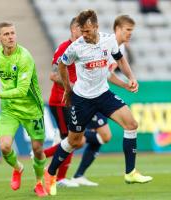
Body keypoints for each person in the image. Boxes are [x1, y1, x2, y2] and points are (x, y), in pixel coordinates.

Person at [44, 10, 153, 196]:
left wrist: (131, 77)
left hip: (103, 95)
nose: (84, 35)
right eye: (82, 31)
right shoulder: (76, 47)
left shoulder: (108, 41)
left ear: (96, 27)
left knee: (131, 124)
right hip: (82, 99)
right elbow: (61, 65)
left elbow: (120, 59)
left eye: (87, 31)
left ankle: (130, 172)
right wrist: (69, 90)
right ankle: (50, 173)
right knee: (73, 141)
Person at [0, 22, 47, 197]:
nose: (10, 37)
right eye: (6, 34)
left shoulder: (24, 57)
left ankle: (38, 183)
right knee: (5, 147)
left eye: (13, 33)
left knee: (37, 149)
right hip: (10, 109)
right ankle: (17, 168)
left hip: (31, 109)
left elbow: (21, 91)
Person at [45, 17, 112, 187]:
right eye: (78, 28)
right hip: (62, 102)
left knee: (100, 136)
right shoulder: (64, 48)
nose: (82, 31)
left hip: (86, 99)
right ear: (72, 30)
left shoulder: (88, 46)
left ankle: (74, 174)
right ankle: (54, 171)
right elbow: (54, 75)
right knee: (73, 140)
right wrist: (75, 87)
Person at [71, 14, 138, 184]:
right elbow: (107, 74)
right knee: (82, 139)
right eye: (127, 30)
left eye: (132, 30)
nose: (130, 34)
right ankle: (66, 137)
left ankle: (78, 175)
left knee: (104, 136)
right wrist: (125, 85)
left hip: (99, 94)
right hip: (88, 95)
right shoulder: (105, 43)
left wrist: (128, 80)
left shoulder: (118, 49)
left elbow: (108, 73)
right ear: (117, 29)